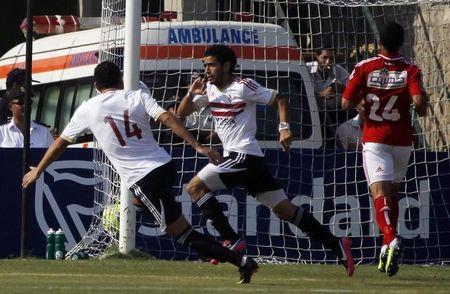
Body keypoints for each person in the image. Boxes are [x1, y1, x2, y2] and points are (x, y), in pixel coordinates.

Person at [22, 61, 258, 284]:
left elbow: (60, 143)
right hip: (165, 166)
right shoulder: (137, 96)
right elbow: (167, 118)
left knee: (182, 234)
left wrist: (39, 171)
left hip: (144, 178)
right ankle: (136, 207)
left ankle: (241, 261)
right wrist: (197, 145)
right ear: (121, 79)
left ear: (96, 86)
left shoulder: (88, 108)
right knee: (147, 205)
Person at [177, 44, 355, 276]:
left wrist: (284, 128)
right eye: (205, 65)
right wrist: (192, 93)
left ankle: (231, 240)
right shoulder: (208, 88)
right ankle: (336, 244)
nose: (207, 70)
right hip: (249, 161)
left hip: (243, 155)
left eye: (211, 64)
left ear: (226, 65)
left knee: (195, 187)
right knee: (285, 210)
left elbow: (280, 99)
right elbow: (181, 113)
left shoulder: (242, 86)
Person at [341, 22, 428, 277]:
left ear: (379, 42)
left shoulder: (364, 68)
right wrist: (420, 104)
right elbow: (419, 103)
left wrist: (362, 101)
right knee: (392, 193)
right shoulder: (410, 69)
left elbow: (345, 102)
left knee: (379, 192)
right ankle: (384, 247)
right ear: (401, 43)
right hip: (402, 141)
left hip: (375, 138)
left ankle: (390, 240)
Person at [306, 46, 350, 147]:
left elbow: (352, 89)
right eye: (324, 58)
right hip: (314, 114)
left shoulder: (338, 70)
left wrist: (339, 88)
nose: (328, 62)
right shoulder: (307, 69)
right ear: (317, 56)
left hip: (337, 114)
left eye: (331, 58)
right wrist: (321, 95)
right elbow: (303, 91)